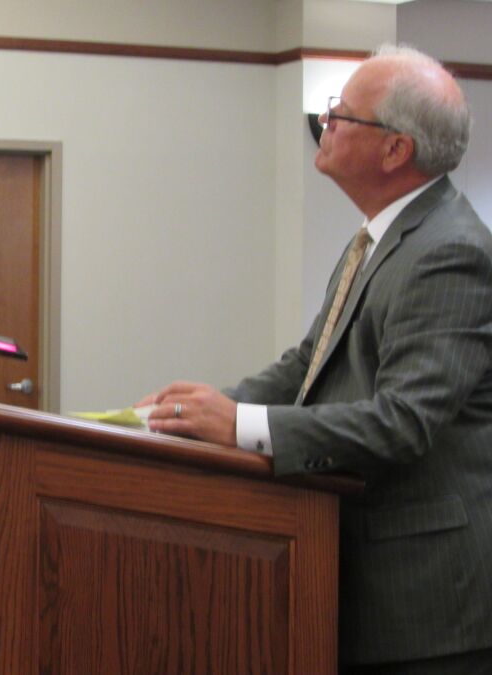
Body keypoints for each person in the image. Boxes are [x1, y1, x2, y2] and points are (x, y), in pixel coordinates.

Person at [139, 45, 492, 673]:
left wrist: (244, 427)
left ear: (395, 150)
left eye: (341, 113)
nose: (324, 122)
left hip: (426, 607)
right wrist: (191, 416)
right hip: (364, 576)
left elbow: (404, 420)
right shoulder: (379, 235)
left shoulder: (450, 252)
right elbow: (310, 362)